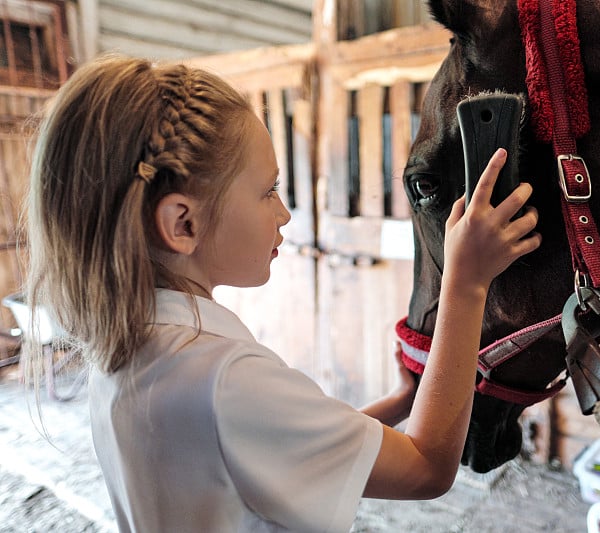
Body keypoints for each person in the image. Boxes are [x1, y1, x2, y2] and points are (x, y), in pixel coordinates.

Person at [24, 55, 541, 532]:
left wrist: (406, 399)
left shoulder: (130, 353)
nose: (284, 213)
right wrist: (466, 282)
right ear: (182, 223)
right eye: (268, 190)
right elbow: (427, 468)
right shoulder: (223, 379)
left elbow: (280, 444)